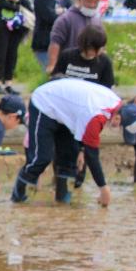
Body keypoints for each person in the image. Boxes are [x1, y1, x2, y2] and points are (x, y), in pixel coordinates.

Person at [13, 76, 118, 207]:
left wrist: (81, 150)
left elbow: (84, 136)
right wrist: (104, 189)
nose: (117, 128)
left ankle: (62, 201)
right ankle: (17, 198)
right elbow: (92, 155)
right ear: (118, 116)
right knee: (41, 158)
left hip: (68, 111)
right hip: (45, 102)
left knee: (70, 158)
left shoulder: (114, 103)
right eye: (119, 124)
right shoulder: (96, 116)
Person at [45, 0, 105, 75]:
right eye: (89, 1)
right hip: (70, 66)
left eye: (96, 2)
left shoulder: (97, 20)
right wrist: (52, 65)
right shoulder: (65, 19)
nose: (92, 5)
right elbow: (55, 43)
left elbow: (101, 45)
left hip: (91, 68)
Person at [30, 0, 69, 71]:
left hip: (60, 41)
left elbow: (70, 11)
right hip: (44, 42)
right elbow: (49, 16)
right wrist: (61, 12)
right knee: (50, 72)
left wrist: (61, 11)